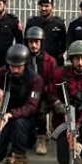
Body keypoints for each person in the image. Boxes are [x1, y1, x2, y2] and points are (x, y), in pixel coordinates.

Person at [0, 45, 44, 164]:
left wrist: (10, 115)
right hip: (6, 115)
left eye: (19, 67)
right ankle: (11, 146)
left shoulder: (35, 79)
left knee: (19, 123)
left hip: (26, 119)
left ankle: (20, 160)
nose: (15, 69)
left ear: (25, 64)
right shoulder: (4, 72)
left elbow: (32, 106)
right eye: (12, 66)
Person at [24, 26, 58, 156]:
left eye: (36, 42)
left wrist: (42, 91)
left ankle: (42, 138)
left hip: (44, 95)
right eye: (30, 42)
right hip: (26, 95)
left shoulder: (50, 61)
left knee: (40, 109)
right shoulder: (23, 59)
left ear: (41, 43)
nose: (33, 45)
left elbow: (53, 83)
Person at [25, 0, 67, 65]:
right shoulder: (32, 22)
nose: (43, 8)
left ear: (53, 7)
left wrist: (59, 54)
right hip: (36, 61)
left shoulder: (59, 24)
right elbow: (26, 41)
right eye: (41, 6)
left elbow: (64, 43)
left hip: (55, 60)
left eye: (46, 6)